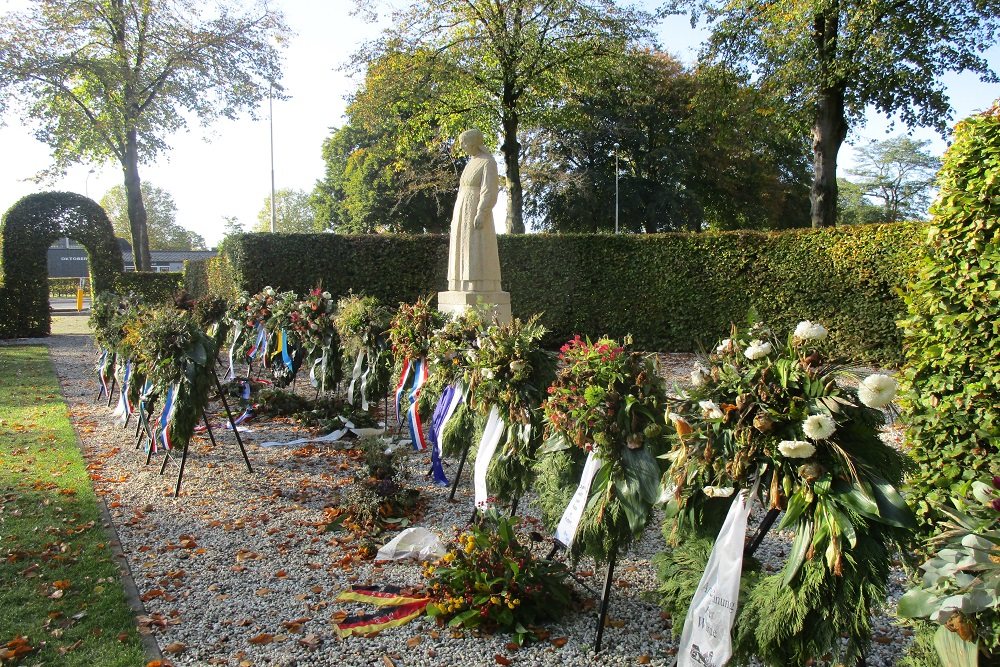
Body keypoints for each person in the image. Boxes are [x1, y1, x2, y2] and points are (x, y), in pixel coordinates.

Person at [447, 129, 501, 293]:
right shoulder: (471, 162)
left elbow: (489, 189)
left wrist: (481, 212)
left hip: (474, 209)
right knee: (462, 246)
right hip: (462, 210)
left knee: (476, 247)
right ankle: (460, 283)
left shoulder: (488, 162)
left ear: (472, 142)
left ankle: (477, 285)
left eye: (463, 143)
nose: (462, 146)